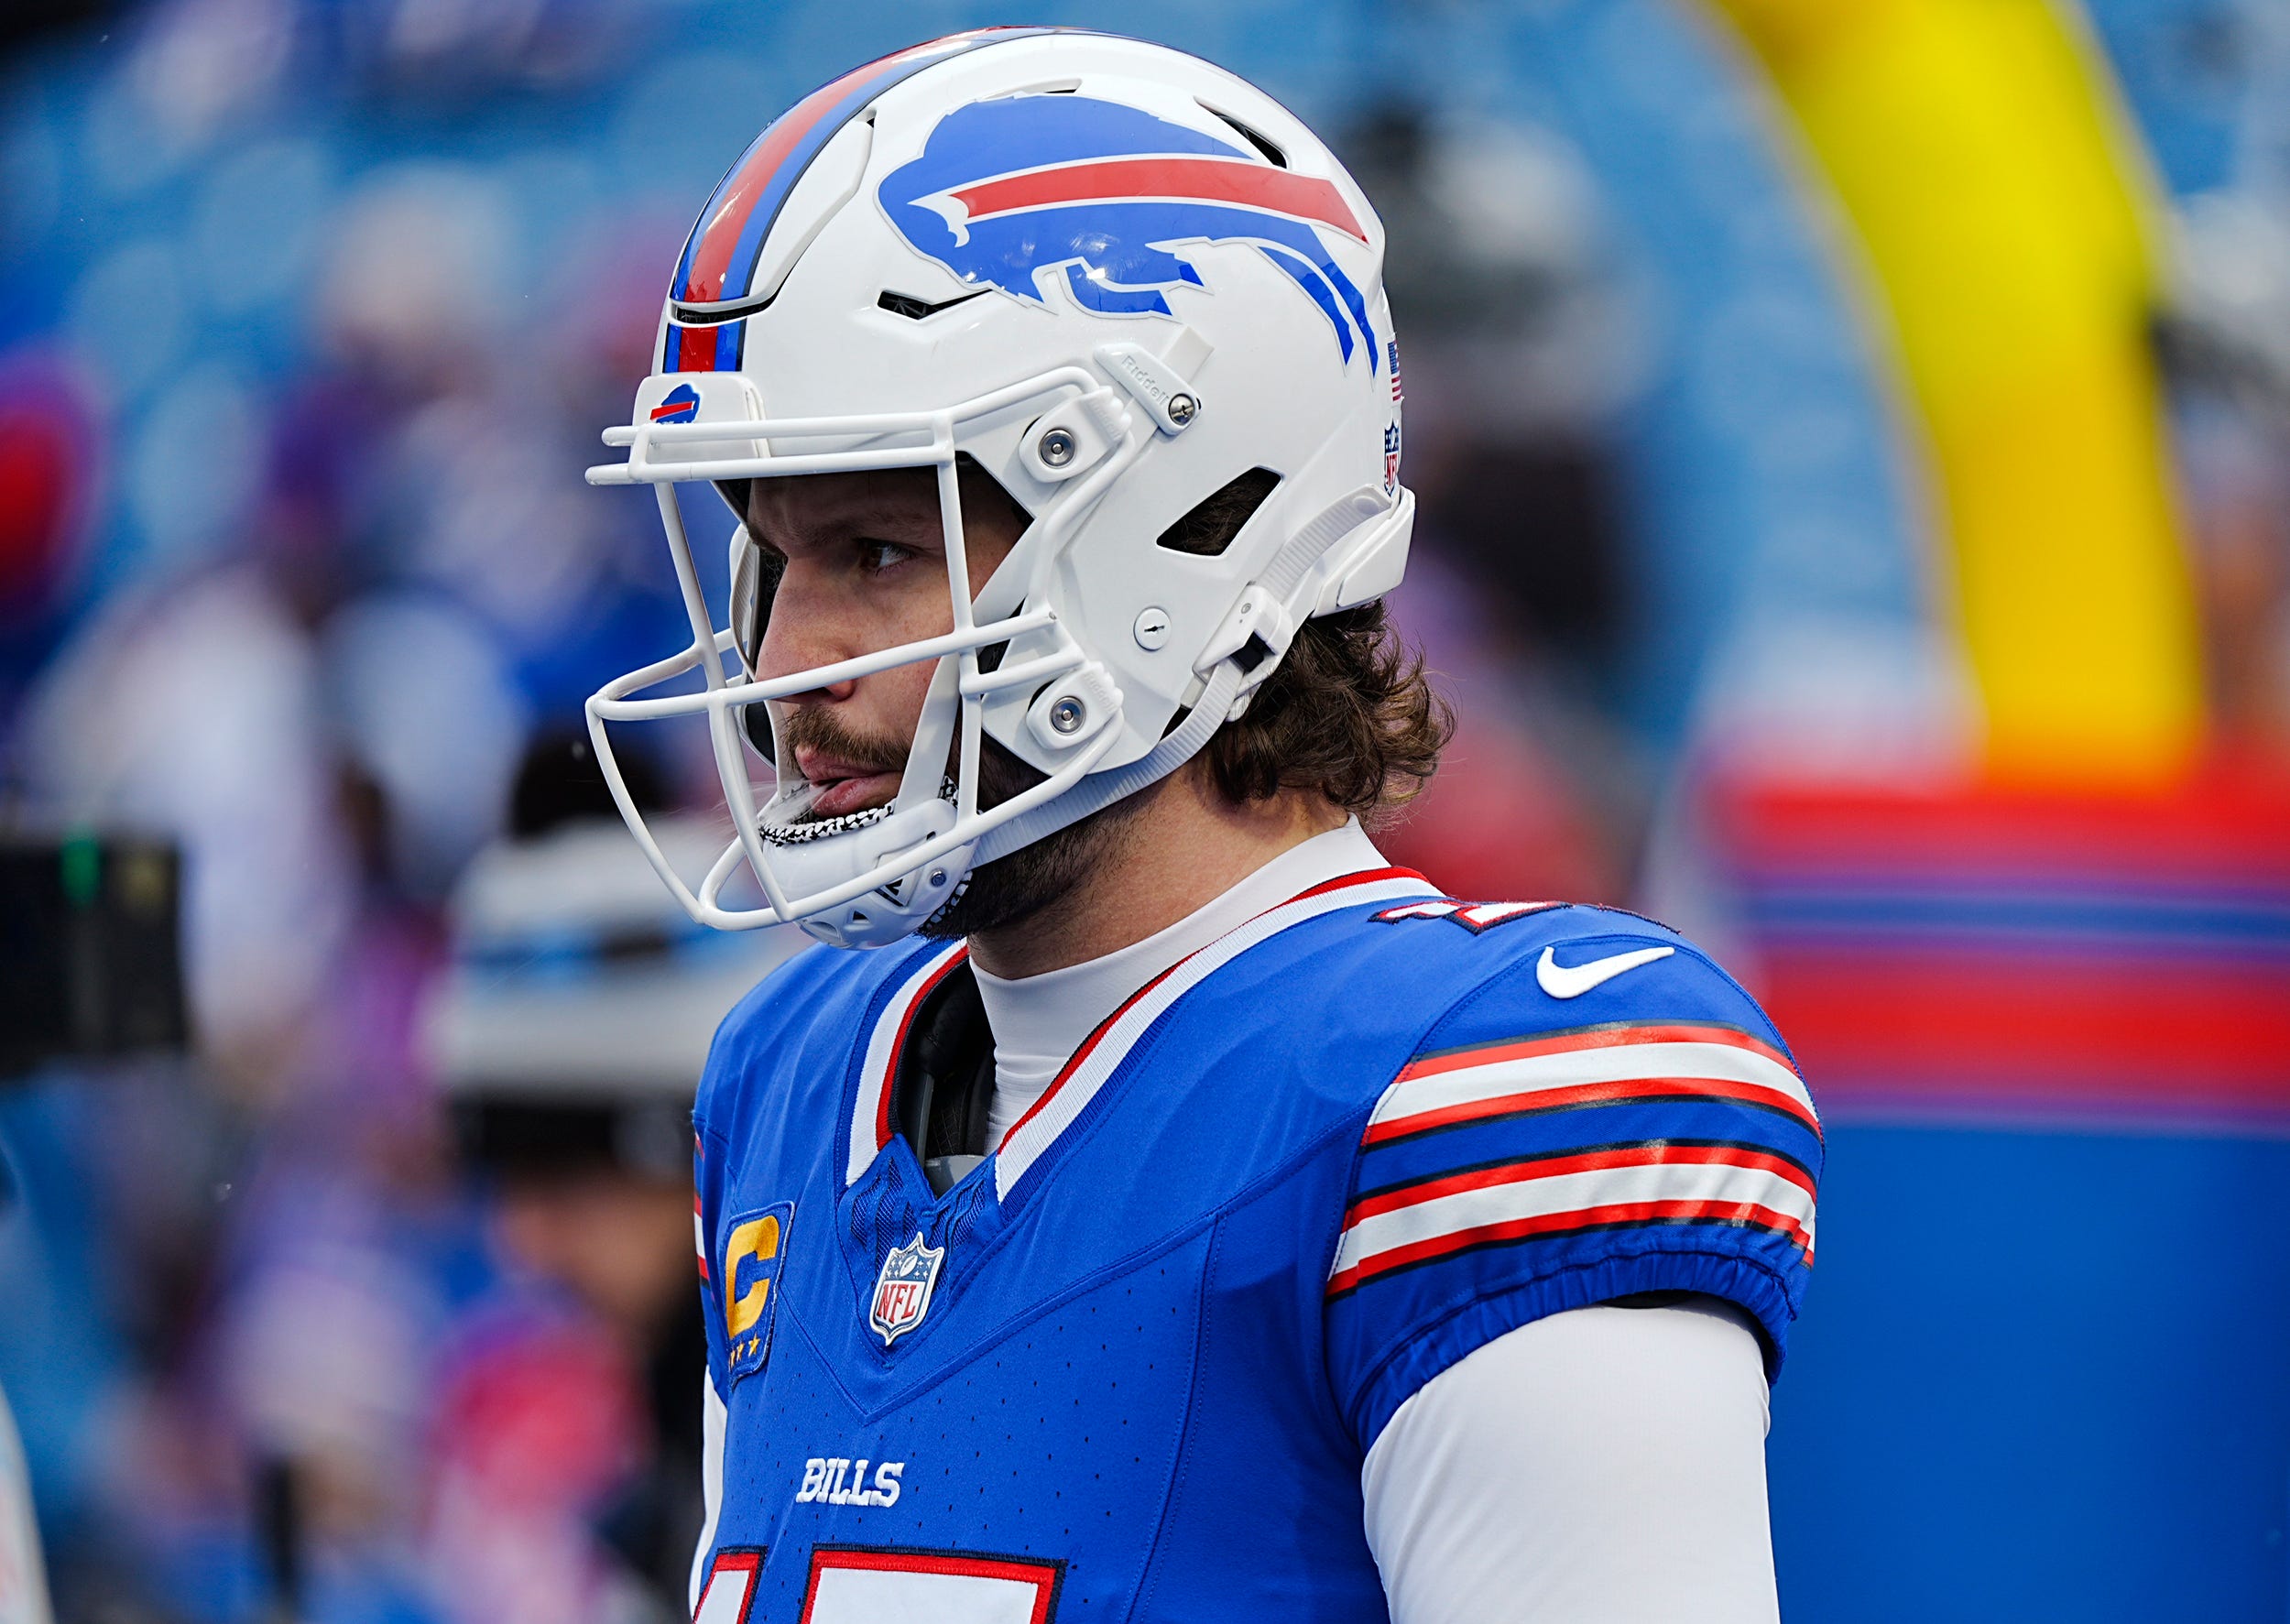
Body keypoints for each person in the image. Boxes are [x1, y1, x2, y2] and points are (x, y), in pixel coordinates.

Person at [580, 29, 1818, 1622]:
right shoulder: (791, 1073)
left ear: (1192, 530)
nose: (784, 665)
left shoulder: (1475, 1096)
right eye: (777, 559)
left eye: (881, 549)